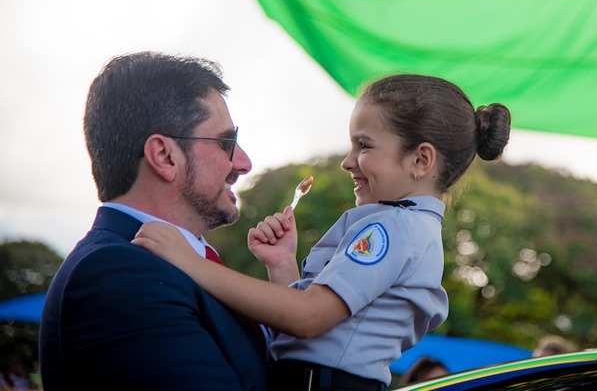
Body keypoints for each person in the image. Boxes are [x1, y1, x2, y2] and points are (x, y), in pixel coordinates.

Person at [133, 73, 512, 390]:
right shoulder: (404, 225)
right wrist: (284, 267)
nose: (348, 162)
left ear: (420, 160)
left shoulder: (391, 228)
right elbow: (317, 329)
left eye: (363, 145)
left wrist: (190, 262)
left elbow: (306, 317)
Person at [39, 52, 267, 390]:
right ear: (164, 156)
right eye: (226, 143)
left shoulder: (170, 264)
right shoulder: (117, 274)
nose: (244, 162)